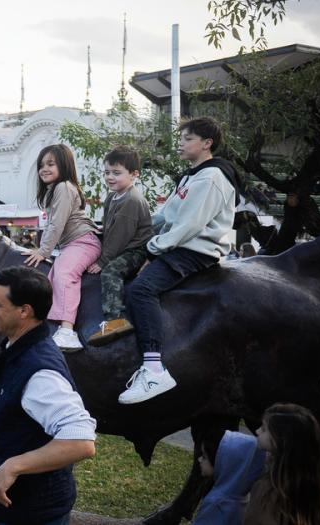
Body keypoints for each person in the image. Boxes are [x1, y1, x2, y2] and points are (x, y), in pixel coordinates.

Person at [0, 266, 96, 525]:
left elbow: (81, 440)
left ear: (24, 311)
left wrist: (14, 466)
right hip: (23, 508)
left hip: (35, 513)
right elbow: (23, 417)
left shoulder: (39, 372)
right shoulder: (19, 348)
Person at [119, 117, 238, 404]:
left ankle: (154, 368)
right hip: (179, 243)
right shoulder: (191, 176)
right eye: (181, 138)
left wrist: (152, 251)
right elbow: (165, 217)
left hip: (195, 250)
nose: (180, 144)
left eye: (187, 139)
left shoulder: (211, 178)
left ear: (206, 144)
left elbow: (188, 226)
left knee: (141, 289)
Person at [23, 144, 101, 351]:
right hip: (72, 244)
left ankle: (68, 332)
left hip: (83, 242)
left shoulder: (64, 187)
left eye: (50, 164)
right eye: (41, 165)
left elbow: (57, 224)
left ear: (64, 165)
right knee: (50, 278)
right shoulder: (54, 190)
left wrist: (43, 251)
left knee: (65, 274)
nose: (44, 169)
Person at [85, 146, 153, 345]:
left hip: (136, 249)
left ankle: (115, 319)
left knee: (110, 272)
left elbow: (120, 237)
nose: (110, 177)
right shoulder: (112, 197)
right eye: (107, 172)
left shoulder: (131, 200)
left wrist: (104, 260)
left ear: (134, 175)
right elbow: (108, 228)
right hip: (121, 244)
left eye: (116, 173)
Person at [244, 403, 320, 525]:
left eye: (264, 429)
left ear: (281, 440)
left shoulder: (267, 490)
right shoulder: (303, 484)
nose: (257, 431)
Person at [192, 429, 266, 525]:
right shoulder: (243, 497)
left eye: (205, 457)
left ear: (222, 462)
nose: (200, 459)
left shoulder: (218, 503)